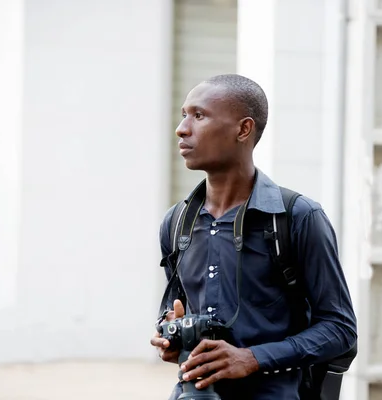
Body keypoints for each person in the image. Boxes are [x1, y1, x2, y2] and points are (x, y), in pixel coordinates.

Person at [150, 74, 357, 400]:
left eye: (199, 116)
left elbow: (340, 329)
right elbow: (173, 306)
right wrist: (171, 333)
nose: (182, 128)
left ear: (243, 129)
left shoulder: (299, 218)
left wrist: (253, 358)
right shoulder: (176, 223)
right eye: (183, 115)